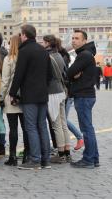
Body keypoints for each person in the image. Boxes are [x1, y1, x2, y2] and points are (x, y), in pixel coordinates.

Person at [9, 24, 52, 170]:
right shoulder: (43, 50)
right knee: (42, 126)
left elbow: (18, 75)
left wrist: (12, 93)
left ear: (24, 35)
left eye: (21, 35)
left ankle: (35, 159)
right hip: (43, 94)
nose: (20, 37)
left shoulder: (25, 51)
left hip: (30, 95)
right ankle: (45, 159)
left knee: (31, 127)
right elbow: (50, 74)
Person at [67, 30, 99, 169]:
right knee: (88, 128)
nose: (73, 40)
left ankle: (89, 159)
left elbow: (68, 73)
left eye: (77, 38)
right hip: (86, 95)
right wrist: (74, 74)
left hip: (84, 95)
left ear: (84, 41)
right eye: (73, 38)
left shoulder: (84, 55)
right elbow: (73, 73)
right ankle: (94, 158)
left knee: (86, 129)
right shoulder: (85, 54)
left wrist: (74, 74)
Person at [0, 35, 29, 166]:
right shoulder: (26, 58)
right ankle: (27, 155)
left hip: (11, 96)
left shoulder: (9, 59)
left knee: (13, 128)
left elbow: (5, 80)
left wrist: (1, 96)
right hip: (25, 96)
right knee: (26, 127)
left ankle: (12, 156)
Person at [42, 35, 71, 164]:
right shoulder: (59, 55)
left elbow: (46, 76)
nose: (42, 43)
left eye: (43, 42)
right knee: (63, 122)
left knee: (56, 124)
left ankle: (60, 153)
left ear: (48, 43)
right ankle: (67, 152)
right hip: (61, 90)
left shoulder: (47, 57)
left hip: (52, 92)